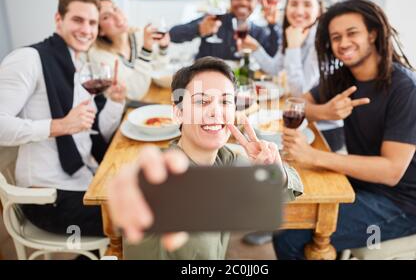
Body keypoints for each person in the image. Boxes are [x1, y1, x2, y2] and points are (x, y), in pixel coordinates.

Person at [274, 0, 416, 259]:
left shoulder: (407, 90)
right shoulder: (345, 77)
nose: (343, 43)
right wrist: (324, 112)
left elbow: (391, 171)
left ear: (373, 34)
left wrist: (314, 155)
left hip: (403, 205)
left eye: (352, 33)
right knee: (287, 210)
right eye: (336, 37)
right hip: (360, 184)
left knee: (291, 236)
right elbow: (296, 104)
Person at [107, 57, 303, 259]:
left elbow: (283, 192)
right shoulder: (162, 179)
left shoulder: (225, 159)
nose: (215, 112)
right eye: (202, 101)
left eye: (225, 101)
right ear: (178, 113)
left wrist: (274, 171)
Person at [0, 0, 127, 237]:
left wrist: (115, 102)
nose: (87, 30)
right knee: (144, 216)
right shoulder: (28, 59)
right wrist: (59, 126)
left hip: (83, 180)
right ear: (59, 19)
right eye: (78, 20)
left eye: (92, 22)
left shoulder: (79, 66)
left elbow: (95, 131)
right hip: (46, 200)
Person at [238, 0, 345, 151]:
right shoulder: (294, 31)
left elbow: (300, 93)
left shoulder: (322, 41)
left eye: (307, 5)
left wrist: (294, 47)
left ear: (319, 9)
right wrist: (256, 47)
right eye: (294, 4)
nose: (299, 11)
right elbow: (274, 68)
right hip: (303, 121)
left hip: (324, 130)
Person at [169, 0, 280, 60]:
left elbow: (272, 57)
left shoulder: (258, 32)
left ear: (256, 3)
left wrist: (273, 25)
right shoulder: (213, 22)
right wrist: (198, 29)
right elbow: (172, 35)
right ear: (230, 1)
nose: (243, 3)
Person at [88, 0, 170, 101]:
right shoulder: (99, 56)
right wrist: (146, 49)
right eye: (106, 17)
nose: (118, 17)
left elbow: (157, 68)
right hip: (125, 111)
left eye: (115, 9)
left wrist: (163, 47)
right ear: (99, 30)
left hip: (150, 97)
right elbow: (135, 93)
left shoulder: (138, 35)